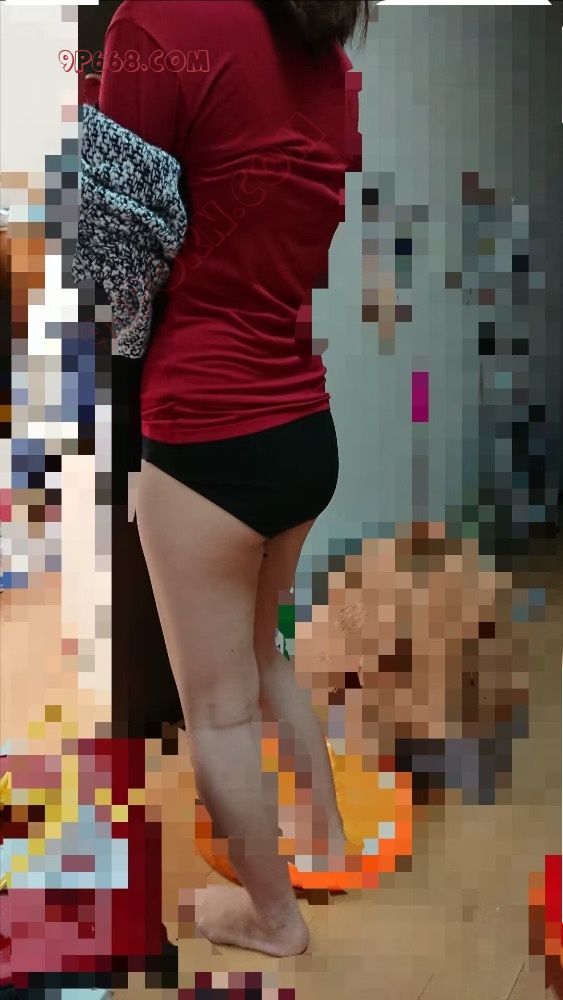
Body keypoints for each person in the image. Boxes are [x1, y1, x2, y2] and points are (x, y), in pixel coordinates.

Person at [98, 0, 367, 958]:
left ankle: (273, 920)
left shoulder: (154, 26)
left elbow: (116, 259)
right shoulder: (324, 56)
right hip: (302, 424)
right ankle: (325, 844)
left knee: (215, 708)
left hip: (208, 428)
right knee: (262, 660)